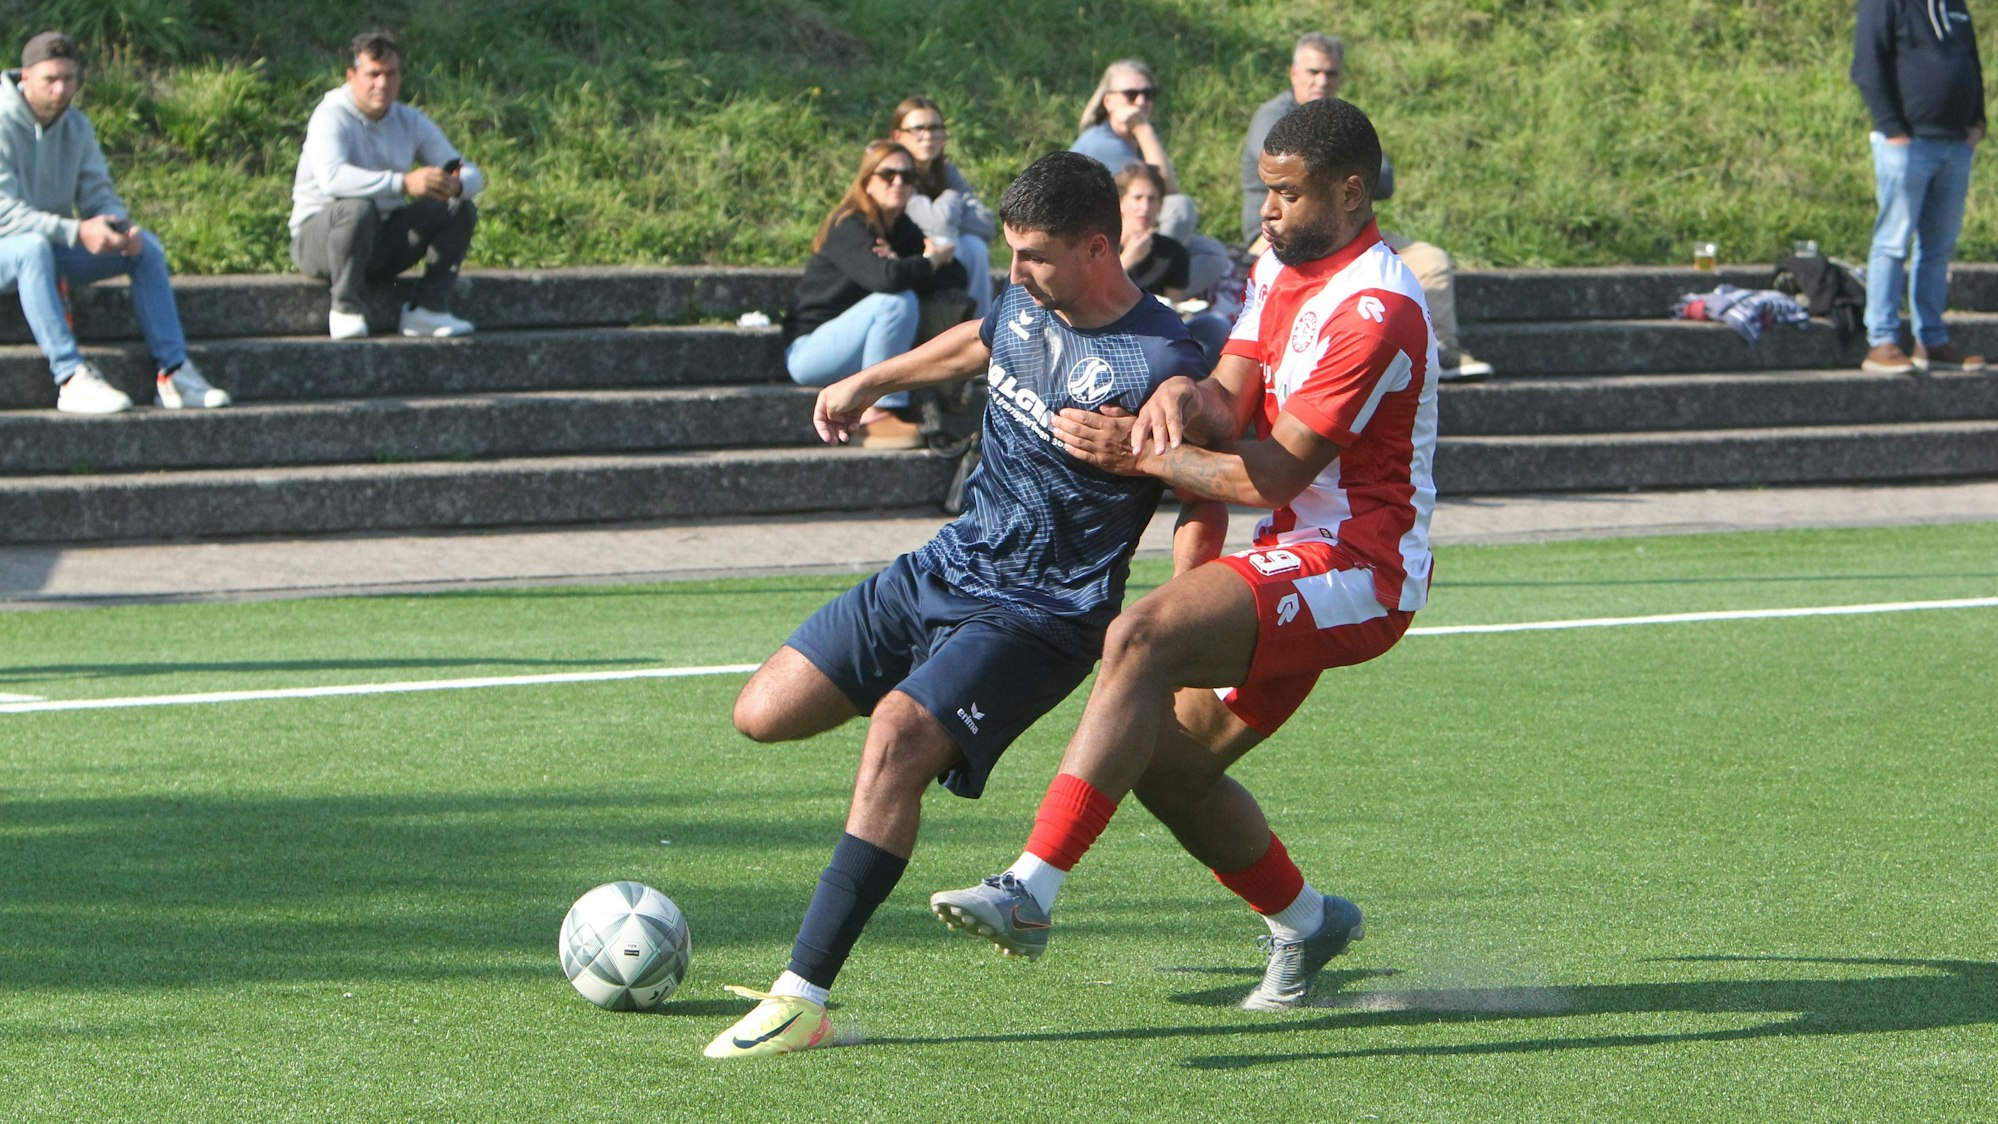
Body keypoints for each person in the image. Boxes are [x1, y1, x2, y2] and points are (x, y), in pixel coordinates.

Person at [932, 96, 1437, 1012]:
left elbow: (1275, 476)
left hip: (1362, 568)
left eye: (1286, 195)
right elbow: (1226, 398)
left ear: (1352, 193)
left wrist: (1143, 452)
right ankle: (1307, 921)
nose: (1267, 211)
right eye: (1264, 191)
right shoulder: (1285, 268)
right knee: (1168, 766)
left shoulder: (1377, 311)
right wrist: (1174, 398)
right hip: (1296, 555)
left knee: (1137, 638)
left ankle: (1031, 890)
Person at [704, 151, 1206, 1059]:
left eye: (1035, 257)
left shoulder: (1161, 357)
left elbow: (1211, 442)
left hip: (1043, 614)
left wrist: (1160, 434)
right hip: (948, 566)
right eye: (1010, 252)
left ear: (1098, 248)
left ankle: (803, 995)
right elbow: (984, 335)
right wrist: (872, 380)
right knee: (762, 713)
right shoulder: (1026, 299)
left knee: (894, 736)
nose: (1014, 274)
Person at [1241, 33, 1493, 383]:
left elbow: (1384, 178)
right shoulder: (1273, 116)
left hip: (1340, 232)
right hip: (1278, 234)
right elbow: (1291, 174)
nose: (1321, 81)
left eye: (1330, 74)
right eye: (1313, 72)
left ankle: (1440, 349)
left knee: (1431, 260)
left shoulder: (1343, 121)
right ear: (1293, 73)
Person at [0, 32, 229, 414]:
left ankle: (173, 373)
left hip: (46, 248)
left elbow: (98, 194)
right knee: (32, 249)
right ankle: (71, 377)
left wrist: (118, 226)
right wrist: (77, 231)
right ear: (25, 78)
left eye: (69, 79)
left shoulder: (78, 127)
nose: (61, 90)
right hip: (16, 249)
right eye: (50, 80)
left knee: (146, 248)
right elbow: (4, 213)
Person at [289, 30, 483, 341]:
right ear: (352, 76)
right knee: (356, 208)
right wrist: (404, 183)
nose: (382, 83)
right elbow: (332, 179)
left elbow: (467, 170)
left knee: (458, 207)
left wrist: (455, 184)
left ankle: (428, 309)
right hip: (319, 241)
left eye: (390, 74)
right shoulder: (330, 116)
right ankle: (345, 308)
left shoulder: (410, 120)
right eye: (373, 74)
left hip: (380, 240)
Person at [782, 139, 970, 449]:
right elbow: (888, 280)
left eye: (908, 177)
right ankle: (876, 414)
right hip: (810, 352)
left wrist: (910, 264)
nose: (898, 182)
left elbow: (955, 276)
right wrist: (927, 261)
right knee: (896, 302)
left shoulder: (900, 228)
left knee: (902, 295)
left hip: (859, 350)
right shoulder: (848, 226)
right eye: (887, 175)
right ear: (868, 181)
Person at [1851, 0, 1987, 374]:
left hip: (1955, 145)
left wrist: (1978, 121)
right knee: (1893, 243)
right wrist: (1892, 129)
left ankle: (1931, 339)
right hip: (1907, 144)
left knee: (1938, 248)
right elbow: (1866, 67)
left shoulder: (1955, 5)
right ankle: (1881, 341)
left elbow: (1971, 62)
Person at [1072, 58, 1231, 298]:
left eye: (1148, 94)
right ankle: (1146, 287)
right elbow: (1167, 190)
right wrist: (1143, 129)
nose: (1141, 102)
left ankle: (1161, 295)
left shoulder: (1131, 140)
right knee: (1180, 209)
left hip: (1127, 232)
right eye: (1131, 94)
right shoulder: (1103, 142)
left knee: (1212, 254)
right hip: (1094, 242)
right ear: (1108, 101)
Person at [890, 96, 997, 318]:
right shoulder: (895, 175)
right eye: (918, 128)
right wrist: (952, 199)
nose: (928, 135)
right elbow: (938, 225)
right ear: (898, 136)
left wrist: (948, 216)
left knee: (974, 246)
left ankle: (982, 328)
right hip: (904, 253)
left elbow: (986, 223)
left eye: (935, 128)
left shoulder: (947, 172)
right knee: (956, 243)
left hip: (941, 252)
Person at [1117, 161, 1229, 368]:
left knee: (1216, 326)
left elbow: (1173, 311)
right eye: (1138, 198)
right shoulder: (1103, 244)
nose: (1145, 207)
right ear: (1121, 202)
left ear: (1160, 206)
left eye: (1152, 199)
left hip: (1155, 333)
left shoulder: (1171, 252)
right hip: (1110, 331)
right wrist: (1128, 259)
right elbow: (1089, 291)